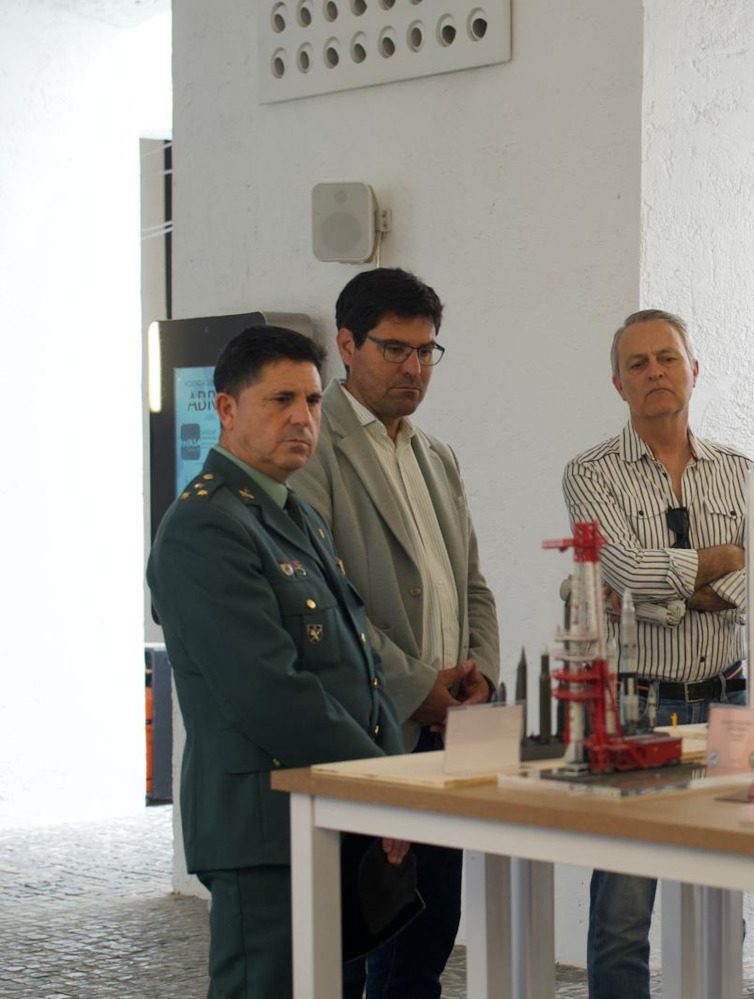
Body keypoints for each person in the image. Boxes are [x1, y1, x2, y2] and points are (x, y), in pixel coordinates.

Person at [147, 326, 407, 998]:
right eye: (280, 399)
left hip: (319, 808)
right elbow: (270, 690)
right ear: (227, 409)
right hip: (260, 826)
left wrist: (391, 774)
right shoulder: (206, 526)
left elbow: (358, 664)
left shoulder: (293, 513)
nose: (303, 416)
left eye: (315, 400)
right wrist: (382, 783)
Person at [291, 267, 499, 997]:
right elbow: (327, 600)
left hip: (445, 735)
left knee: (425, 945)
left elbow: (472, 582)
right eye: (394, 349)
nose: (413, 368)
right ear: (347, 344)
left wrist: (479, 679)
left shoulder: (435, 455)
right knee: (348, 951)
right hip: (366, 730)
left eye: (427, 351)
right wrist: (418, 689)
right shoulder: (315, 451)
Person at [563, 308, 753, 998]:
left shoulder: (739, 471)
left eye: (667, 358)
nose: (655, 373)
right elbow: (623, 571)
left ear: (693, 370)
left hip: (729, 701)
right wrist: (720, 563)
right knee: (622, 903)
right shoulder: (589, 473)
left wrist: (675, 588)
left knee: (723, 895)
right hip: (638, 703)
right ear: (618, 383)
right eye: (638, 363)